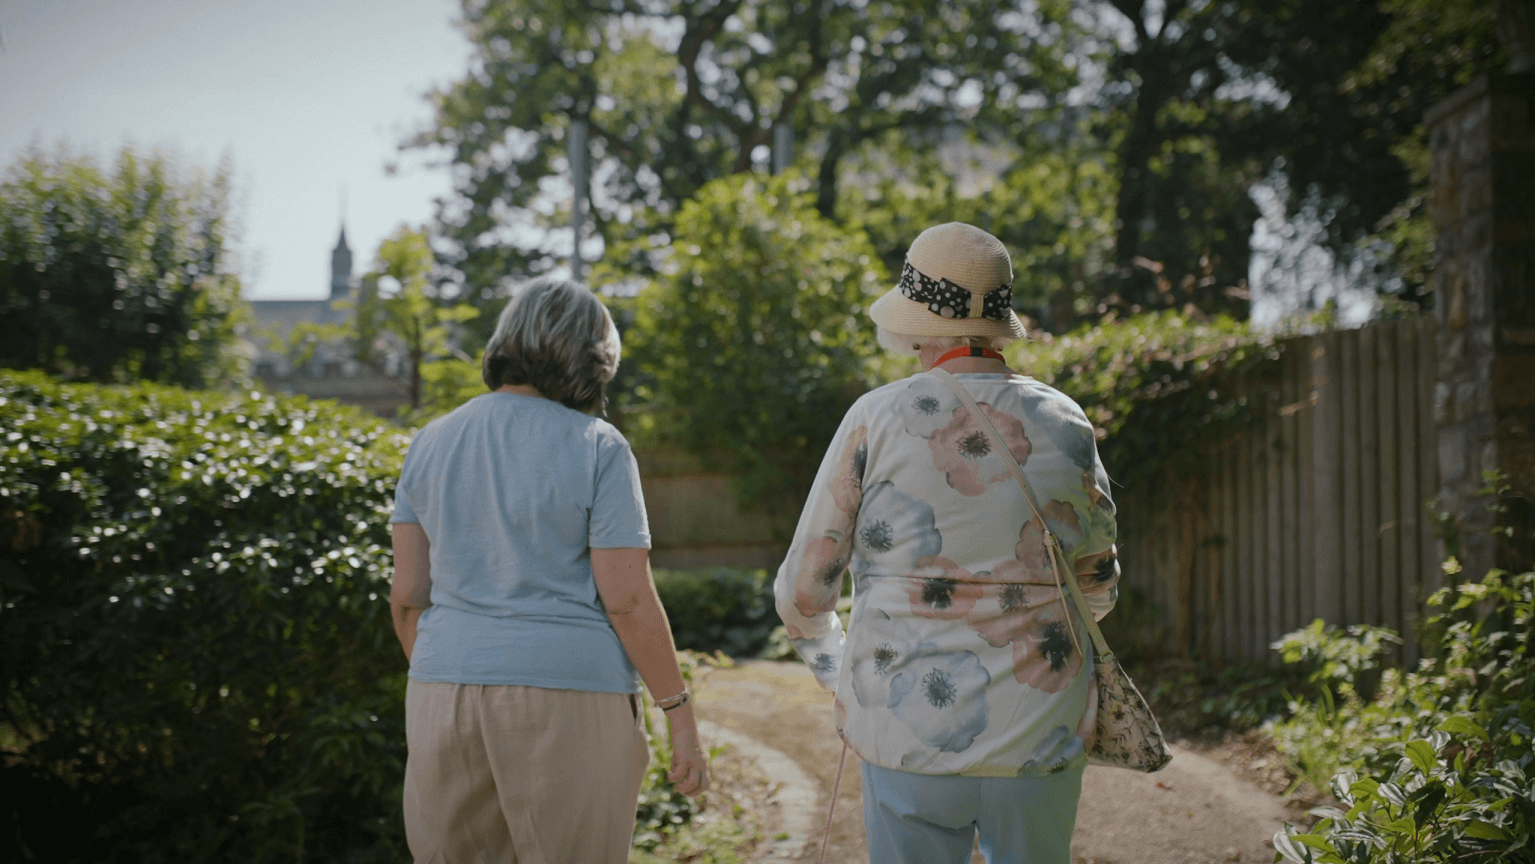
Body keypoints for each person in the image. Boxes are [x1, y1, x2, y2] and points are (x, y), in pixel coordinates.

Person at [775, 223, 1121, 864]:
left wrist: (840, 673)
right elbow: (1096, 584)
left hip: (906, 729)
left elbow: (804, 592)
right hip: (1038, 732)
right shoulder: (1066, 420)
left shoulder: (875, 418)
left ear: (915, 323)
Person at [389, 278, 709, 863]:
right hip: (568, 694)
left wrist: (460, 664)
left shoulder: (429, 441)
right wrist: (679, 715)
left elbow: (408, 595)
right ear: (593, 357)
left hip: (440, 688)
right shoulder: (599, 446)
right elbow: (628, 600)